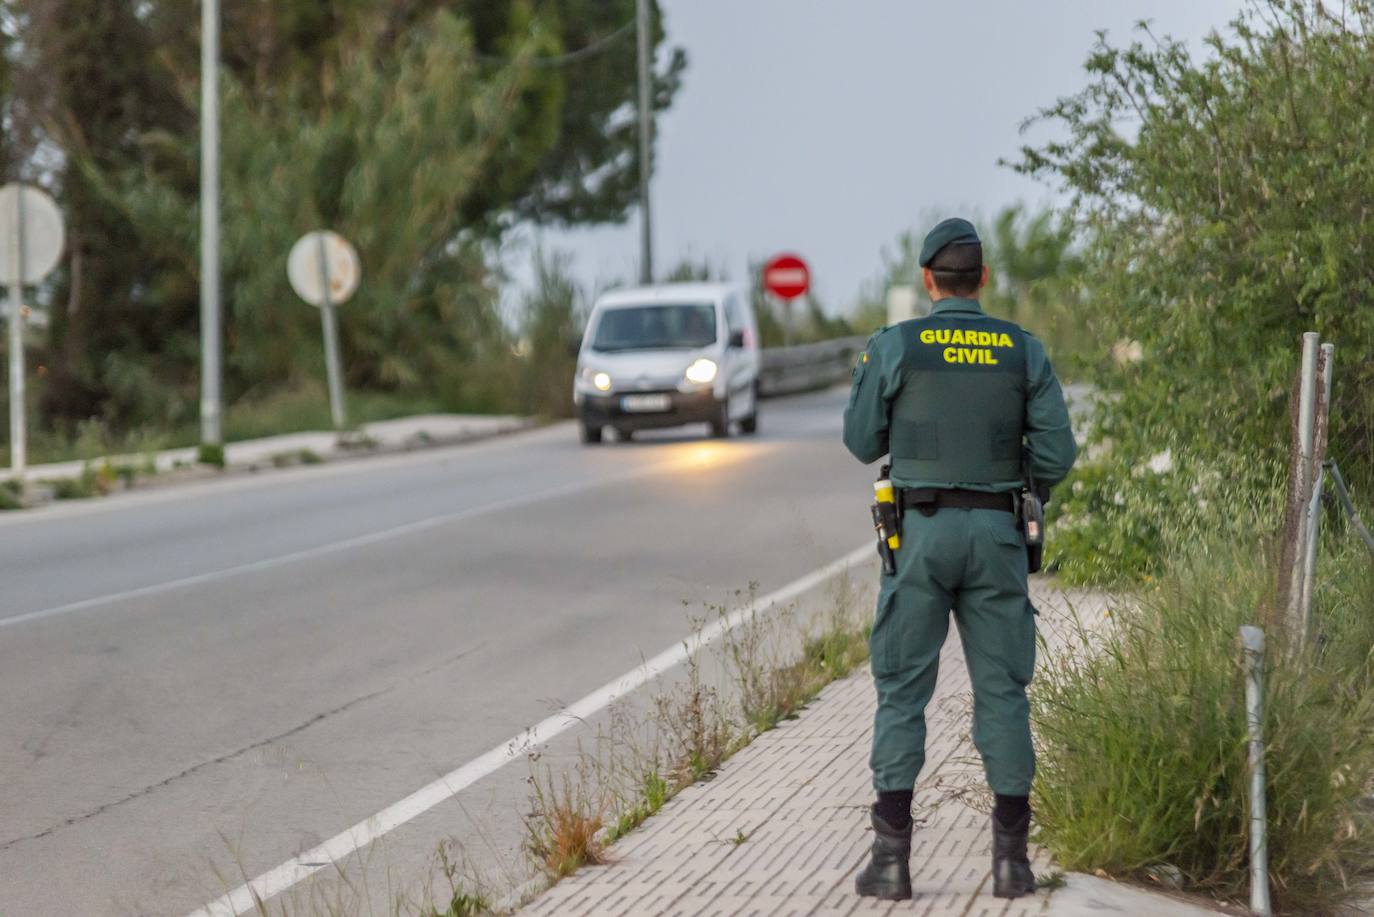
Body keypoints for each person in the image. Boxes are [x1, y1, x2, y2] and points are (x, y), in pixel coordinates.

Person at [842, 218, 1077, 901]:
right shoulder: (1021, 350)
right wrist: (1022, 488)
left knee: (902, 687)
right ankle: (1012, 864)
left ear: (927, 281)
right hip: (999, 535)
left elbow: (861, 441)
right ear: (982, 280)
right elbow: (1059, 454)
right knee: (1003, 690)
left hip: (918, 534)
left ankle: (891, 862)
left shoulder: (896, 346)